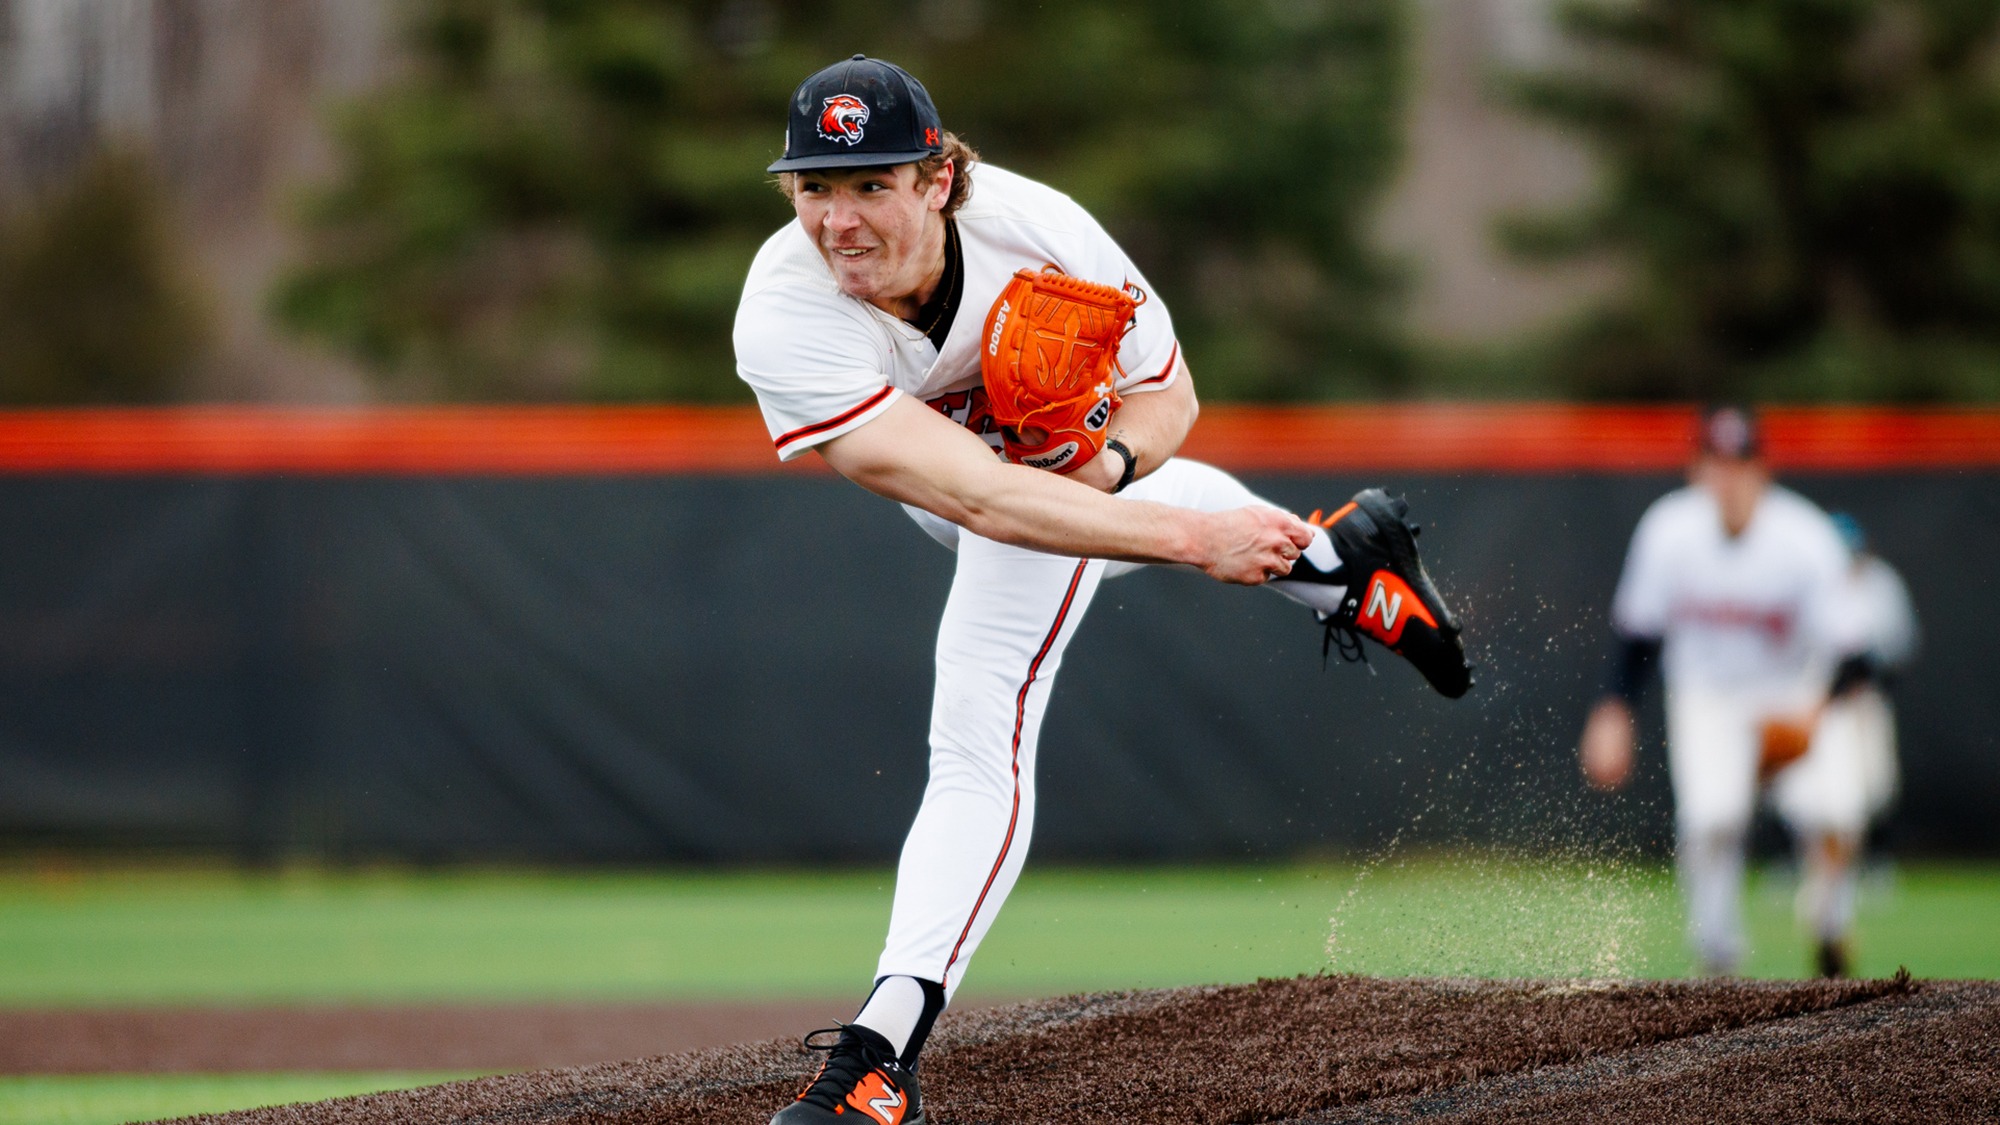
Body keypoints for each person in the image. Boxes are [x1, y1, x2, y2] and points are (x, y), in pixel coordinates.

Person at [733, 55, 1472, 1125]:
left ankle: (878, 1055)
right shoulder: (784, 315)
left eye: (870, 185)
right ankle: (1336, 565)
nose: (838, 220)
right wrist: (1185, 533)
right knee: (1024, 516)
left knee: (978, 724)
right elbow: (980, 503)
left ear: (937, 179)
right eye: (814, 188)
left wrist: (1116, 467)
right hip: (968, 493)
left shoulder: (1037, 228)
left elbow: (1168, 396)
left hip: (1047, 482)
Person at [1578, 405, 1878, 979]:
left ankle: (1829, 929)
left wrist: (1816, 714)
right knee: (1711, 820)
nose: (1729, 477)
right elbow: (1637, 636)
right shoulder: (1668, 530)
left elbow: (1857, 656)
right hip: (1708, 701)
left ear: (1763, 470)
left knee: (1838, 815)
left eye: (1740, 463)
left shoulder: (1805, 536)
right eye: (1717, 463)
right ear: (1697, 470)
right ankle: (1718, 961)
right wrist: (1613, 709)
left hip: (1793, 692)